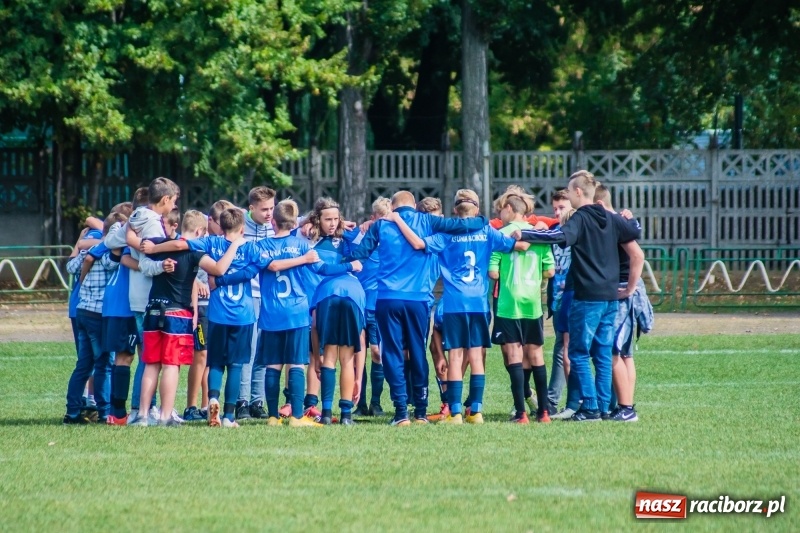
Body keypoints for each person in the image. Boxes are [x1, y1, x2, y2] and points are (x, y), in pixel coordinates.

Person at [347, 191, 487, 426]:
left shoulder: (381, 225)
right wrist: (483, 220)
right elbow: (465, 225)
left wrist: (354, 230)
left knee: (391, 353)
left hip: (388, 298)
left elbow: (357, 254)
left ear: (392, 206)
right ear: (414, 205)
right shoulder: (427, 220)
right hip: (419, 299)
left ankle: (401, 412)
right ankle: (420, 411)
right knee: (418, 351)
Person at [389, 189, 528, 424]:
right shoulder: (486, 230)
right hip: (478, 302)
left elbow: (417, 244)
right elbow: (518, 245)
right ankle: (476, 411)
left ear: (454, 210)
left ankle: (454, 413)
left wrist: (397, 219)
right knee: (475, 356)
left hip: (454, 303)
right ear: (477, 209)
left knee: (455, 356)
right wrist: (521, 234)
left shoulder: (446, 234)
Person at [518, 170, 644, 422]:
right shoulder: (609, 216)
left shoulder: (581, 217)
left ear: (577, 192)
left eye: (569, 189)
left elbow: (559, 236)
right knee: (602, 352)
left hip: (587, 297)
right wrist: (629, 219)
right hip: (610, 296)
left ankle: (589, 408)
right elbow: (634, 232)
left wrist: (525, 234)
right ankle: (606, 409)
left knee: (578, 353)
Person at [133, 210, 244, 427]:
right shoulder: (195, 251)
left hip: (153, 310)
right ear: (200, 231)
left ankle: (143, 415)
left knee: (151, 364)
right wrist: (235, 245)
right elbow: (220, 269)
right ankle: (165, 416)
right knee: (171, 365)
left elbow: (141, 252)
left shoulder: (160, 244)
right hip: (177, 313)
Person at [105, 178, 180, 425]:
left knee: (149, 355)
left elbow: (110, 242)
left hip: (139, 298)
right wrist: (158, 257)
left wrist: (129, 235)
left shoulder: (136, 218)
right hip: (152, 298)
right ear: (166, 199)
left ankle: (144, 409)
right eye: (174, 201)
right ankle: (142, 409)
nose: (175, 206)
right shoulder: (152, 223)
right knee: (152, 357)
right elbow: (151, 258)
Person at [489, 194, 555, 424]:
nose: (499, 216)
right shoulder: (538, 233)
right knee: (536, 355)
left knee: (515, 355)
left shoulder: (501, 234)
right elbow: (550, 272)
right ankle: (544, 412)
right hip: (532, 302)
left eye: (501, 211)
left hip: (509, 303)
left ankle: (521, 413)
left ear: (509, 208)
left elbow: (493, 273)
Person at [594, 184, 653, 422]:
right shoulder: (623, 220)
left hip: (622, 292)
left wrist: (629, 287)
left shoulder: (615, 222)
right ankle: (626, 405)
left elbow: (637, 255)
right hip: (625, 290)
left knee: (613, 351)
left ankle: (626, 408)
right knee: (626, 354)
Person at [63, 213, 125, 424]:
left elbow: (71, 267)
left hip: (82, 311)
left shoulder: (90, 250)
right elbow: (112, 263)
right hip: (99, 314)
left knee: (83, 364)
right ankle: (105, 411)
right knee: (104, 364)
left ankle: (72, 412)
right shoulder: (105, 253)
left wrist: (84, 248)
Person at [237, 186, 276, 421]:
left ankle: (257, 401)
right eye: (264, 210)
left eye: (272, 208)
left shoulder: (274, 226)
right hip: (248, 295)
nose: (269, 213)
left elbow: (298, 218)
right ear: (251, 209)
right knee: (248, 350)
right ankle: (241, 401)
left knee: (264, 351)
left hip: (270, 296)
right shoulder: (240, 225)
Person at [352, 197, 390, 417]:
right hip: (358, 304)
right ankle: (361, 404)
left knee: (377, 353)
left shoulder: (393, 240)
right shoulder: (360, 237)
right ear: (373, 218)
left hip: (378, 306)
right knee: (358, 354)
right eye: (380, 219)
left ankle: (376, 403)